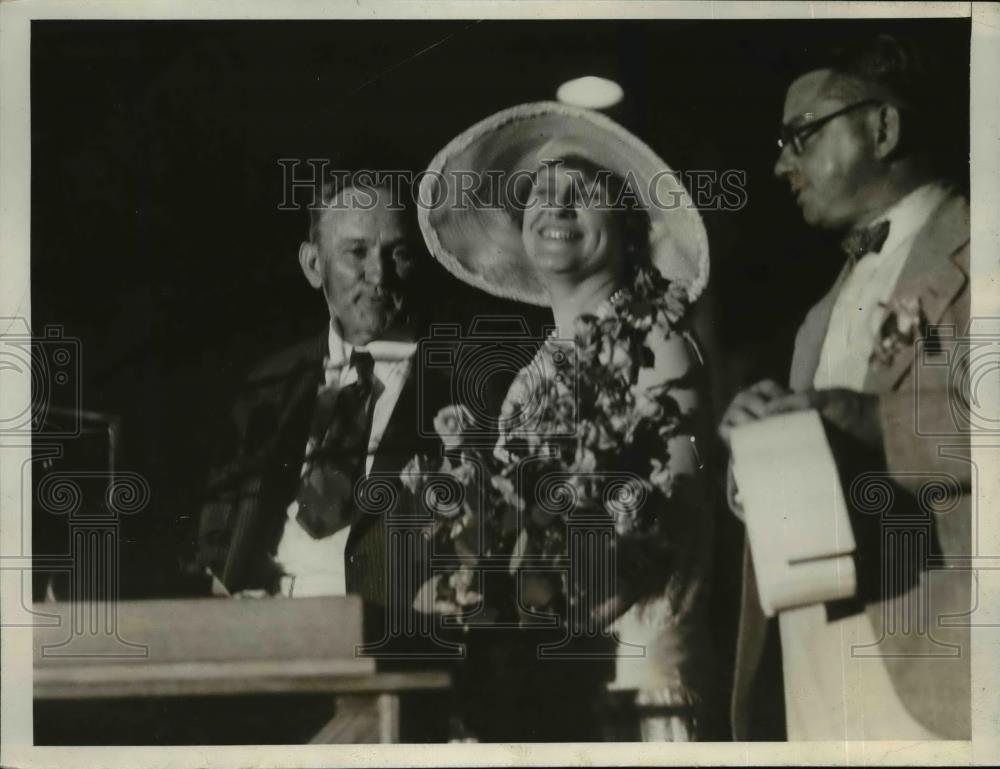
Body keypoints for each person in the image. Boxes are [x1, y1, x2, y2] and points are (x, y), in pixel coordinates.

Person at [417, 102, 718, 740]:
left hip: (631, 680)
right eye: (541, 196)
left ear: (630, 225)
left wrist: (546, 610)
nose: (556, 209)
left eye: (583, 195)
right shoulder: (535, 370)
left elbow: (669, 524)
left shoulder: (656, 341)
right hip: (553, 677)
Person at [719, 35, 971, 740]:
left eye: (799, 136)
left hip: (942, 662)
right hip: (814, 675)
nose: (779, 164)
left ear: (883, 127)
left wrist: (863, 416)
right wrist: (758, 456)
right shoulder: (818, 313)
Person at [196, 178, 458, 657]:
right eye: (356, 252)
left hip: (391, 650)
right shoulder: (268, 384)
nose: (379, 275)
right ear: (313, 265)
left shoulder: (464, 386)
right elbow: (216, 541)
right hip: (262, 646)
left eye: (397, 253)